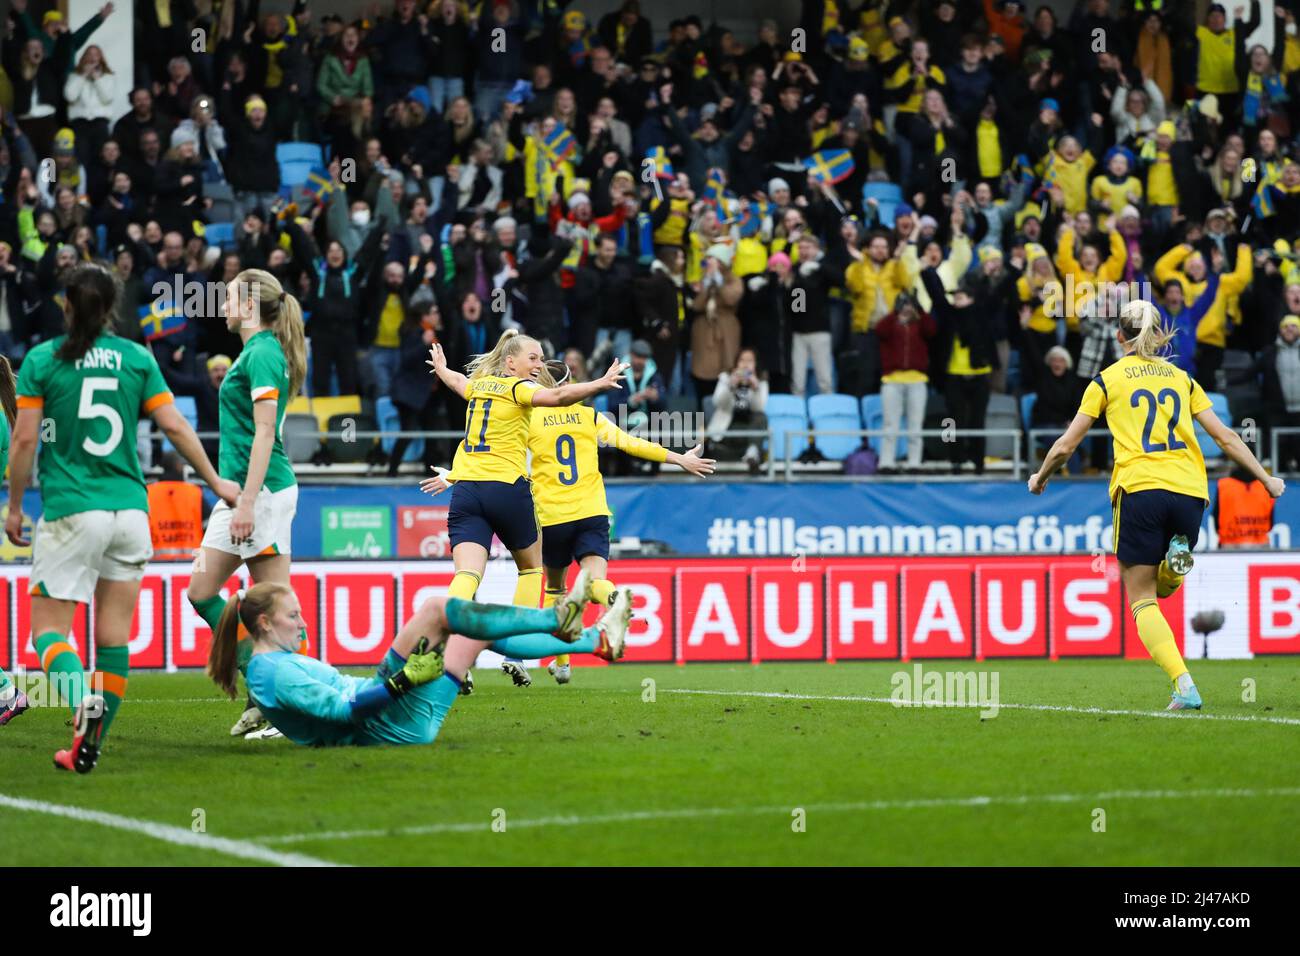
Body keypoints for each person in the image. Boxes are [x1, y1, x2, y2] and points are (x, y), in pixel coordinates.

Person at [1, 265, 238, 769]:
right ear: (113, 308)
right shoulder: (135, 358)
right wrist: (216, 483)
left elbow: (23, 440)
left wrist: (16, 505)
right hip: (131, 511)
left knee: (46, 632)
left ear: (66, 305)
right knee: (113, 637)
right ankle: (89, 746)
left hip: (72, 509)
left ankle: (77, 702)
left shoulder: (44, 359)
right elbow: (173, 425)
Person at [1030, 299, 1284, 711]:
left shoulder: (1106, 380)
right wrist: (1266, 478)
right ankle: (1173, 562)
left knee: (1142, 597)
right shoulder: (1183, 379)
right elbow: (1226, 438)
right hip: (1190, 492)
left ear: (1119, 337)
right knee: (1163, 585)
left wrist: (1039, 478)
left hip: (1141, 489)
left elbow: (1066, 444)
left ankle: (1184, 686)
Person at [206, 577, 632, 746]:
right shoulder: (270, 670)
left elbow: (306, 710)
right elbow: (340, 712)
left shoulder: (268, 663)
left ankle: (597, 642)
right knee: (436, 608)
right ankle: (557, 619)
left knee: (474, 630)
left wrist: (283, 726)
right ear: (264, 622)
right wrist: (402, 681)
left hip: (400, 722)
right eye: (292, 614)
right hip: (384, 722)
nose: (302, 621)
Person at [424, 328, 627, 679]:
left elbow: (458, 382)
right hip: (506, 489)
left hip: (467, 492)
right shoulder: (519, 389)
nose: (538, 365)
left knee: (467, 574)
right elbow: (561, 395)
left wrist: (441, 370)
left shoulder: (481, 385)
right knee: (533, 570)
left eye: (540, 358)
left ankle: (453, 652)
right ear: (510, 362)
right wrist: (600, 383)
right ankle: (516, 655)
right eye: (532, 358)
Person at [185, 269, 308, 739]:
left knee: (277, 606)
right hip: (245, 490)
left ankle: (287, 700)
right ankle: (269, 691)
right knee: (204, 592)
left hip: (262, 492)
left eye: (231, 295)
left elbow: (263, 432)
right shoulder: (256, 353)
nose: (223, 302)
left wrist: (249, 502)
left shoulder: (262, 353)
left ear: (250, 304)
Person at [705, 347, 769, 472]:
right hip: (727, 430)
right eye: (742, 360)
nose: (745, 365)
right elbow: (718, 402)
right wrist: (731, 385)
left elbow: (759, 408)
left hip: (749, 433)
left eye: (750, 361)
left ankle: (752, 453)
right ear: (736, 363)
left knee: (761, 417)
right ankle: (752, 453)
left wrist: (756, 388)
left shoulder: (761, 382)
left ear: (755, 364)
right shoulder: (725, 378)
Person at [147, 451, 209, 561]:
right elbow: (208, 528)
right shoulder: (195, 492)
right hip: (194, 564)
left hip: (155, 564)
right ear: (181, 468)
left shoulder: (148, 493)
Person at [1213, 463, 1276, 548]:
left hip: (1229, 545)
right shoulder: (1266, 486)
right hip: (1260, 545)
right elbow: (1271, 522)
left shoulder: (1223, 485)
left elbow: (1216, 515)